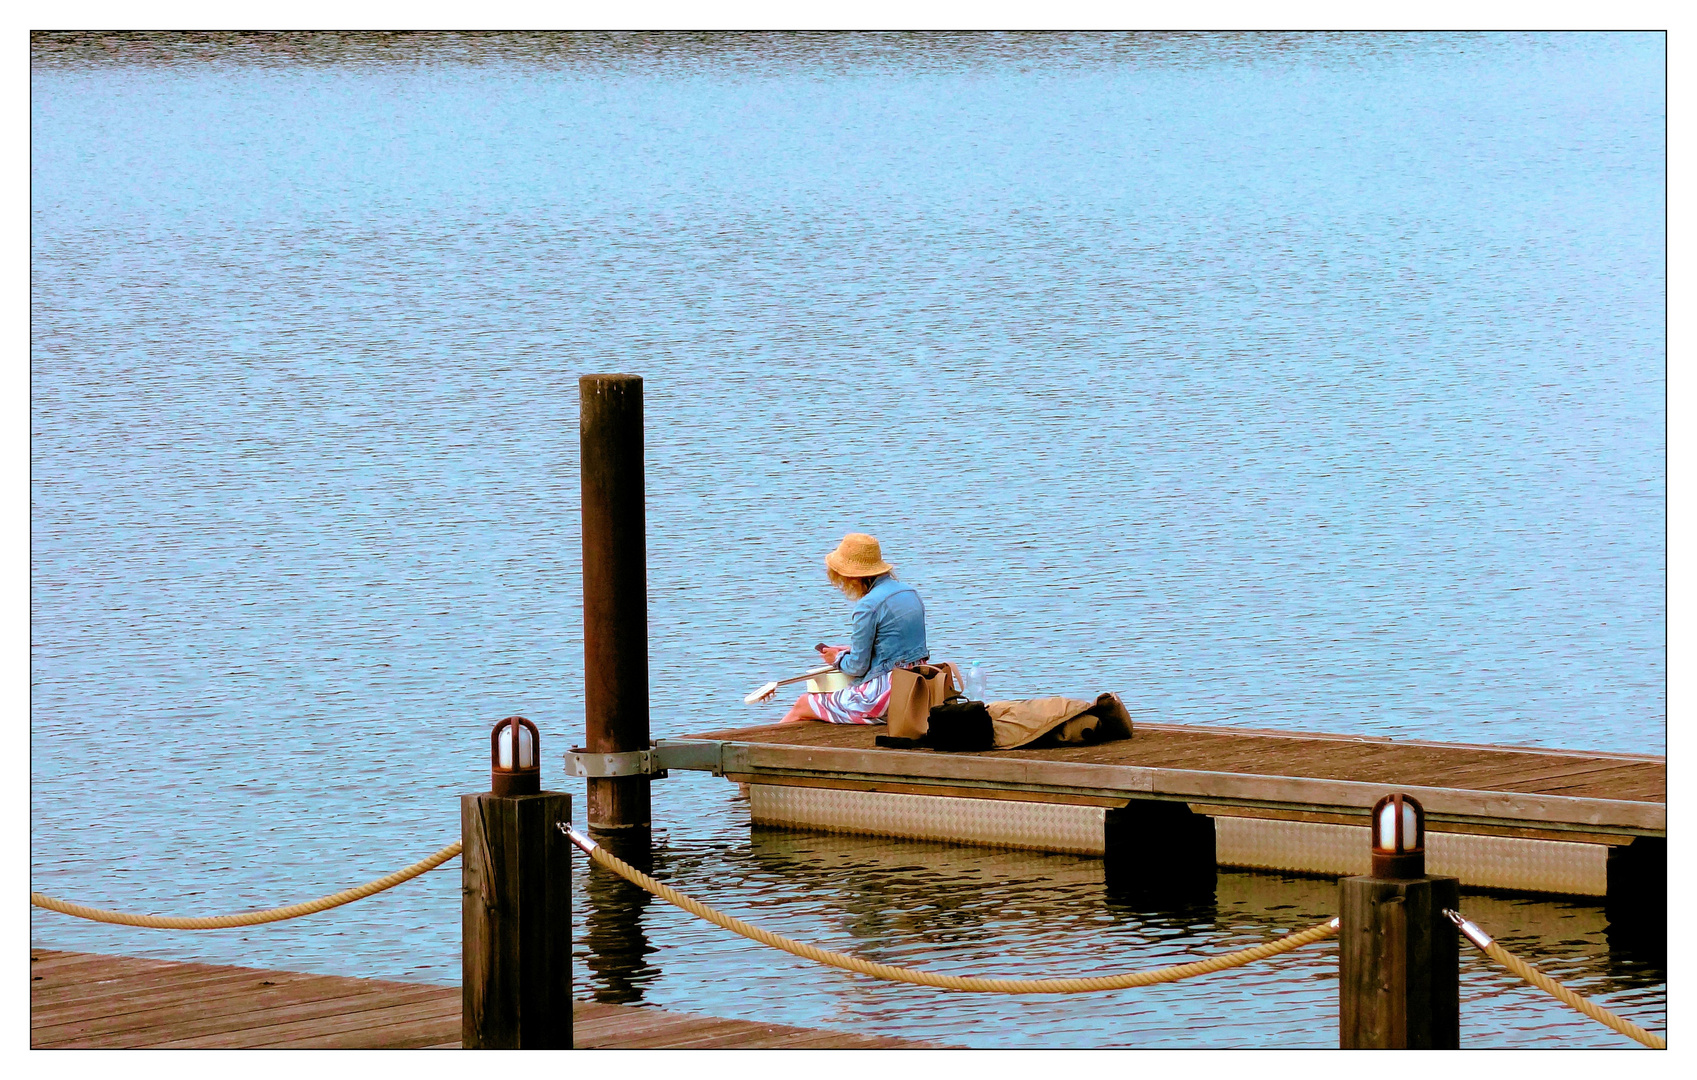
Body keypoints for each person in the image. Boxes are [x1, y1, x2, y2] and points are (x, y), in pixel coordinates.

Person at [763, 532, 929, 724]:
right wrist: (851, 650)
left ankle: (762, 752)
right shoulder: (910, 593)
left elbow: (857, 667)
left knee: (803, 704)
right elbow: (899, 646)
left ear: (852, 576)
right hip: (917, 688)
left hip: (885, 696)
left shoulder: (867, 606)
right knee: (820, 705)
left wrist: (837, 658)